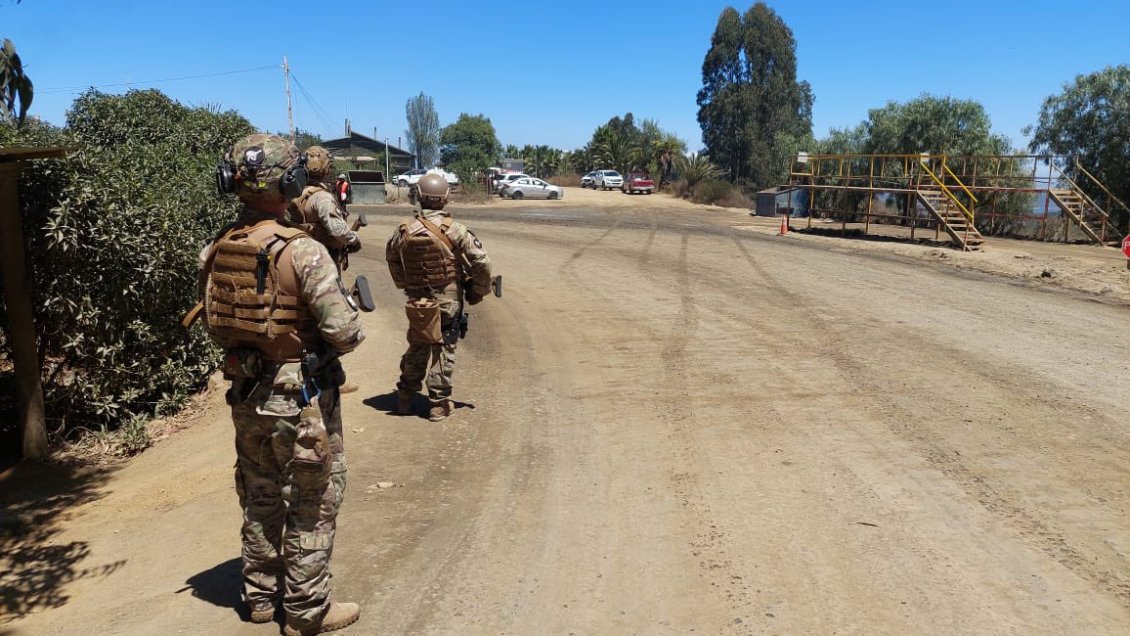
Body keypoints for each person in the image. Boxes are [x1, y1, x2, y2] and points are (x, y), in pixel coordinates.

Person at [196, 133, 363, 635]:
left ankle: (261, 597)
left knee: (260, 494)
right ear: (291, 181)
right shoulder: (304, 252)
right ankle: (307, 612)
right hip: (301, 400)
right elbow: (345, 333)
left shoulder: (218, 247)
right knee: (313, 500)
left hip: (246, 392)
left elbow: (215, 324)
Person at [385, 173, 491, 421]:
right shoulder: (456, 229)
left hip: (417, 301)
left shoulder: (404, 229)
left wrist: (405, 284)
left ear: (419, 196)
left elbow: (392, 258)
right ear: (445, 198)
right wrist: (478, 290)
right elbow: (482, 261)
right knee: (444, 349)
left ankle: (405, 397)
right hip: (448, 301)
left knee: (418, 344)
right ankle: (438, 404)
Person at [288, 148, 361, 394]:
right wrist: (353, 239)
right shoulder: (321, 197)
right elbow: (337, 229)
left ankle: (326, 374)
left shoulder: (294, 195)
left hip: (297, 263)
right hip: (323, 265)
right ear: (326, 169)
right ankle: (330, 378)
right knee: (329, 320)